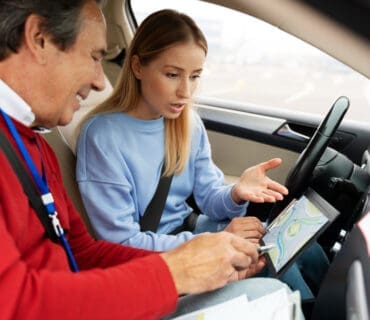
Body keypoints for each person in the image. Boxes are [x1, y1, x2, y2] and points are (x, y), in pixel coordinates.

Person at [0, 1, 294, 319]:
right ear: (39, 38)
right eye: (94, 57)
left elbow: (81, 251)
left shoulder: (34, 143)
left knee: (273, 283)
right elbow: (16, 304)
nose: (100, 81)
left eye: (195, 76)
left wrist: (200, 258)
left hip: (92, 296)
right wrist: (176, 270)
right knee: (272, 296)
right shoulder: (95, 135)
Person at [76, 9, 329, 300]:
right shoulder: (103, 137)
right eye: (172, 75)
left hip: (194, 233)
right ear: (137, 67)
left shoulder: (187, 123)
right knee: (278, 272)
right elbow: (123, 243)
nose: (185, 91)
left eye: (195, 76)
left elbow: (209, 198)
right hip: (162, 263)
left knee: (304, 248)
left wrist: (236, 193)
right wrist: (214, 242)